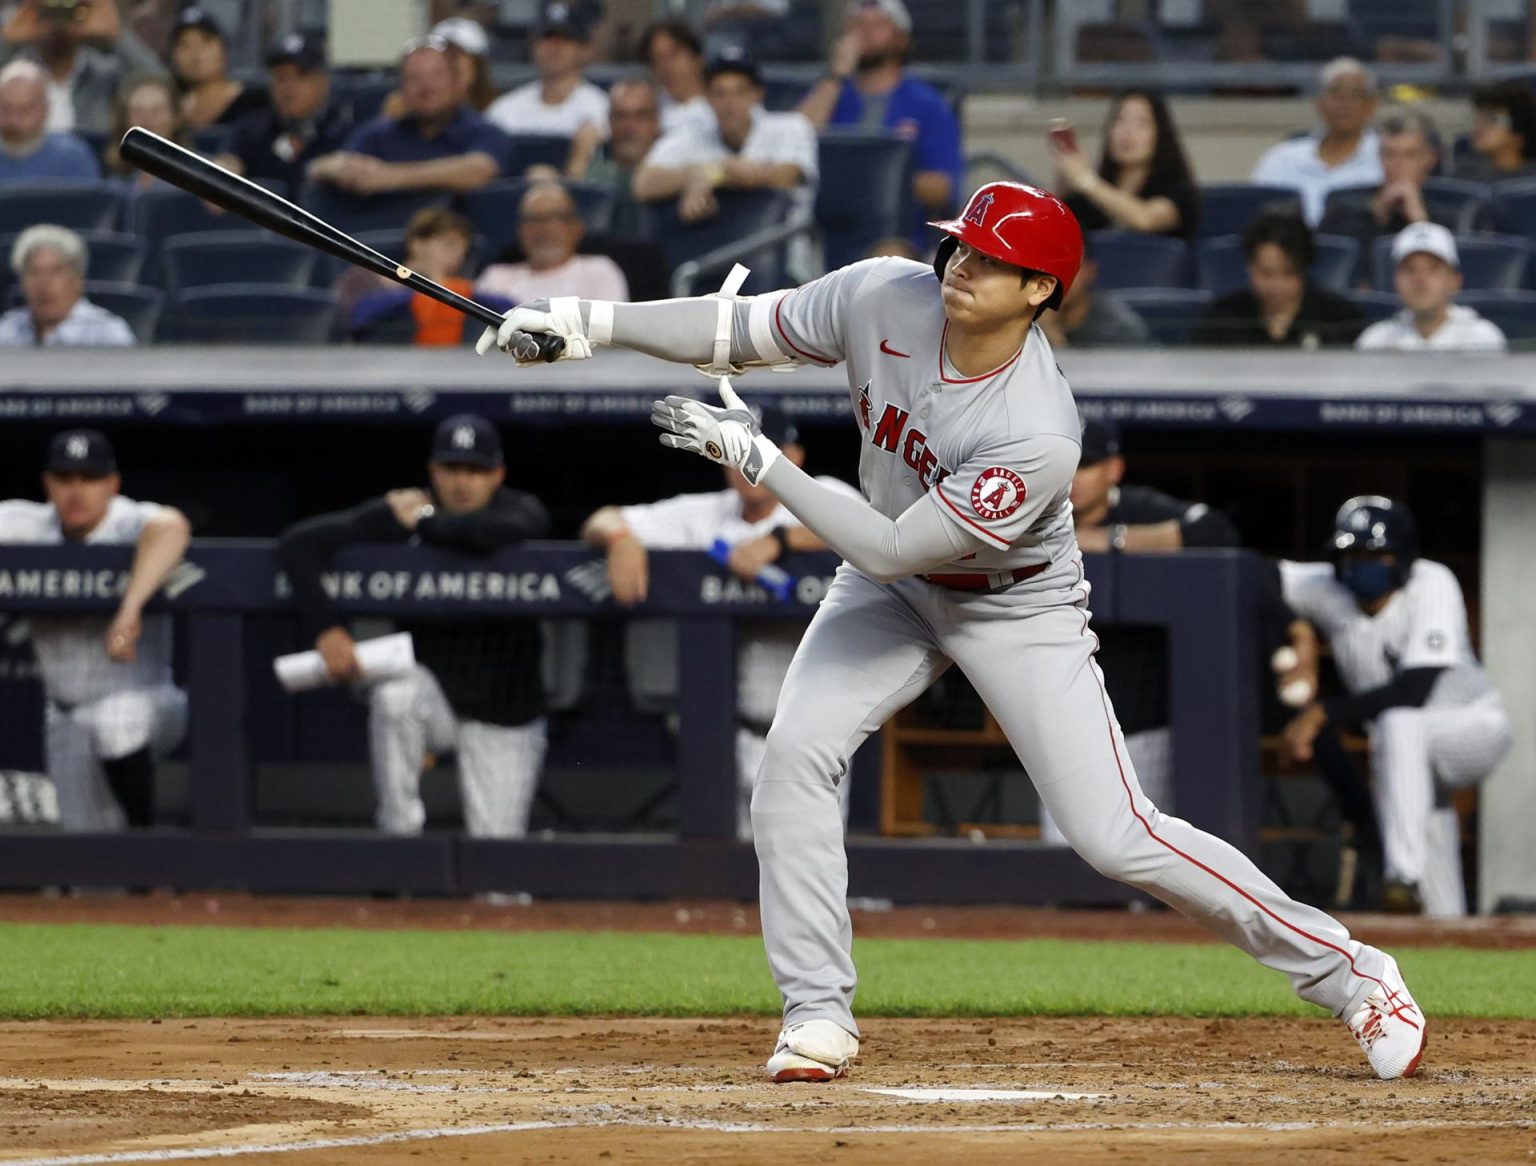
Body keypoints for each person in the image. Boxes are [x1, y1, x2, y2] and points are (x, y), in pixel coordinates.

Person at [474, 179, 1430, 1084]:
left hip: (1012, 601)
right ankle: (817, 1011)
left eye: (988, 256)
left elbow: (892, 543)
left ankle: (1355, 978)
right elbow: (738, 327)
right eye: (959, 244)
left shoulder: (1039, 429)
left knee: (1115, 833)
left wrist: (764, 462)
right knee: (793, 761)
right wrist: (585, 324)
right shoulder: (883, 294)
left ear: (1040, 290)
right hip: (887, 592)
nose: (960, 264)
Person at [581, 410, 857, 840]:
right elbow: (602, 518)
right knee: (746, 872)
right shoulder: (705, 513)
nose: (749, 465)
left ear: (795, 458)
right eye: (737, 453)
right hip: (741, 730)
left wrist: (779, 541)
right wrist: (619, 539)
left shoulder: (823, 495)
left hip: (820, 735)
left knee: (818, 860)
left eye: (763, 453)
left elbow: (873, 529)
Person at [277, 414, 551, 839]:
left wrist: (423, 523)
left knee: (498, 872)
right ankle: (398, 838)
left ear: (497, 475)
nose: (462, 482)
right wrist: (327, 628)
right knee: (395, 696)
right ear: (432, 471)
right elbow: (298, 543)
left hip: (505, 712)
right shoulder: (401, 510)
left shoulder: (516, 508)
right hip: (433, 696)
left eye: (475, 471)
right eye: (451, 469)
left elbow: (495, 533)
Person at [1278, 496, 1511, 917]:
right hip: (1409, 756)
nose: (1360, 564)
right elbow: (1255, 578)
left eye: (1374, 554)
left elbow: (1414, 690)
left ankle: (1401, 875)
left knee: (1399, 722)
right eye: (1351, 553)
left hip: (1472, 726)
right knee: (1430, 846)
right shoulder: (1328, 591)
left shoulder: (1431, 581)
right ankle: (1440, 922)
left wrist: (1320, 713)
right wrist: (1301, 633)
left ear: (1401, 557)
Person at [1037, 419, 1238, 845]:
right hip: (1062, 721)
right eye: (1066, 463)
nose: (1073, 478)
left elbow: (1215, 532)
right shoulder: (1032, 515)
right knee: (1063, 862)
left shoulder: (1138, 509)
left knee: (1143, 855)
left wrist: (1109, 540)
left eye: (1087, 465)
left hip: (1143, 723)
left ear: (1114, 469)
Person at [0, 429, 190, 830]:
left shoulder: (126, 521)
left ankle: (148, 844)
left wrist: (129, 609)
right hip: (66, 714)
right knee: (86, 853)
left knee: (115, 722)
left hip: (148, 700)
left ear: (112, 484)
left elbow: (172, 526)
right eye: (65, 479)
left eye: (89, 479)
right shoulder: (28, 525)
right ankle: (135, 881)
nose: (76, 491)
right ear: (47, 483)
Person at [797, 0, 963, 248]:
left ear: (901, 38)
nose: (865, 33)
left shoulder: (928, 104)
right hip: (824, 231)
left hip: (900, 234)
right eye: (858, 26)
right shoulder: (832, 94)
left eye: (877, 25)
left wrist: (872, 179)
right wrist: (837, 73)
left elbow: (944, 187)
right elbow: (793, 138)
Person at [633, 46, 817, 225]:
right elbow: (643, 184)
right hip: (721, 246)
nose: (730, 104)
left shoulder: (791, 126)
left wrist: (716, 175)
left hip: (785, 245)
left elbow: (785, 176)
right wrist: (696, 175)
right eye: (720, 93)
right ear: (707, 97)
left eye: (740, 92)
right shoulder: (694, 133)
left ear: (757, 94)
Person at [307, 38, 509, 198]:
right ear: (400, 88)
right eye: (414, 78)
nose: (426, 87)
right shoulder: (380, 133)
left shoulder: (483, 131)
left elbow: (480, 170)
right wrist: (342, 170)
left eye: (436, 76)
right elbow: (319, 167)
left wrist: (388, 177)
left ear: (457, 83)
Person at [1192, 212, 1365, 347]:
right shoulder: (1224, 317)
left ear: (1303, 270)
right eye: (1266, 273)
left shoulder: (1338, 318)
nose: (1276, 285)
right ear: (1249, 267)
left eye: (1288, 273)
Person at [1318, 107, 1453, 275]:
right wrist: (1376, 216)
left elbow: (1452, 274)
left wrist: (1420, 222)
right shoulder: (1342, 206)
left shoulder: (1454, 210)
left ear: (1431, 159)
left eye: (1409, 155)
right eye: (1389, 154)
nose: (1397, 164)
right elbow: (1334, 270)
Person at [348, 207, 511, 345]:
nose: (459, 256)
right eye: (449, 244)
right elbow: (349, 323)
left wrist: (441, 284)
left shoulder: (462, 289)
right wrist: (430, 288)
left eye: (464, 250)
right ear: (417, 244)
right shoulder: (364, 277)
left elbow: (505, 311)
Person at [0, 0, 166, 136]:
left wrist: (118, 38)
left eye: (70, 11)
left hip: (95, 173)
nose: (59, 24)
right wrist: (7, 43)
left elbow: (162, 87)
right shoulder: (13, 77)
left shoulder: (104, 75)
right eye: (50, 11)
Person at [1251, 57, 1383, 226]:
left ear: (1372, 105)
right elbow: (1257, 216)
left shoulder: (1389, 156)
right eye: (1335, 93)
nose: (1344, 103)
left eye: (1355, 95)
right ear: (1318, 102)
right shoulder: (1281, 158)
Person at [1053, 89, 1200, 241]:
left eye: (1141, 122)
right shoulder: (1095, 193)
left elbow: (1145, 220)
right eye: (1120, 120)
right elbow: (1056, 228)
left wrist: (1085, 179)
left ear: (1160, 135)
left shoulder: (1178, 190)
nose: (1127, 132)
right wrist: (1066, 180)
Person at [484, 2, 609, 179]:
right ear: (533, 46)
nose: (554, 47)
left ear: (585, 49)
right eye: (546, 38)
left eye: (565, 39)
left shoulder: (601, 106)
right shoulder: (505, 109)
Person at [215, 32, 351, 191]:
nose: (289, 87)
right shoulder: (254, 128)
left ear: (323, 81)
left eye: (301, 76)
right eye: (281, 77)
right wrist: (225, 170)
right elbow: (229, 160)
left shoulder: (345, 125)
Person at [1355, 223, 1506, 353]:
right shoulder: (1375, 341)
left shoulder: (1483, 339)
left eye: (1433, 269)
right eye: (1409, 270)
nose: (1420, 280)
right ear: (1396, 281)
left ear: (1455, 281)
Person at [476, 181, 629, 305]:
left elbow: (609, 335)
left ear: (576, 227)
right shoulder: (495, 278)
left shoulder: (600, 271)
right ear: (520, 230)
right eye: (534, 219)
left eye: (555, 217)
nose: (544, 229)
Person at [0, 225, 135, 346]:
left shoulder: (107, 332)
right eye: (34, 272)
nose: (43, 283)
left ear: (78, 279)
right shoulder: (8, 329)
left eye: (55, 272)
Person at [581, 75, 663, 236]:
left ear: (656, 122)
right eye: (621, 116)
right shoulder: (590, 168)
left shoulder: (678, 163)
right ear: (609, 121)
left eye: (640, 116)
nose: (629, 127)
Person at [1036, 233, 1149, 349]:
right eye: (1048, 267)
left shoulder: (1119, 330)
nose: (1058, 278)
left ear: (1091, 271)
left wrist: (1055, 340)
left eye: (1068, 267)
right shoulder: (1024, 319)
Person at [0, 59, 100, 180]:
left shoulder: (73, 158)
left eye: (25, 110)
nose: (14, 120)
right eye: (6, 109)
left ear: (46, 109)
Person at [166, 6, 263, 130]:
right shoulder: (170, 111)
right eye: (184, 44)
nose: (195, 53)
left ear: (224, 50)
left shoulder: (256, 102)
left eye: (205, 41)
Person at [102, 72, 183, 190]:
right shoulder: (109, 176)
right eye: (137, 112)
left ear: (176, 118)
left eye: (157, 111)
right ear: (124, 120)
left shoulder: (202, 174)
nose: (147, 119)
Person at [637, 19, 711, 136]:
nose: (666, 66)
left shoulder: (720, 107)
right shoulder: (648, 111)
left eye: (673, 55)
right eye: (657, 59)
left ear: (698, 59)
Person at [1454, 82, 1536, 185]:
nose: (1479, 126)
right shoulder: (1463, 175)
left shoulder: (1531, 184)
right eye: (1478, 118)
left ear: (1519, 136)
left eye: (1492, 120)